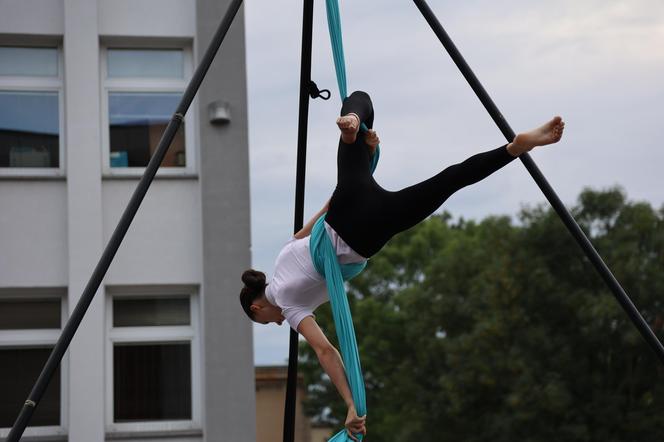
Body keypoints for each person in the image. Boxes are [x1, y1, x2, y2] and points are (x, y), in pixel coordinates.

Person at [240, 91, 564, 440]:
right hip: (348, 202)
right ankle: (352, 126)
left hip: (368, 231)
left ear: (257, 306)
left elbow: (326, 351)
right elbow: (315, 222)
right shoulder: (284, 253)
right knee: (359, 100)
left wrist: (351, 403)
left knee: (448, 182)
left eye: (262, 320)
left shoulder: (289, 305)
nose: (272, 323)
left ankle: (514, 149)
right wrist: (359, 157)